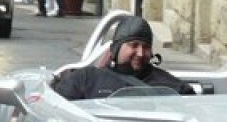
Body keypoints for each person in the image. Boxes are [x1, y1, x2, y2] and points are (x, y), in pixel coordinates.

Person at [53, 15, 191, 100]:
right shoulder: (85, 79)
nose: (141, 53)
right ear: (116, 48)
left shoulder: (171, 86)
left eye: (146, 47)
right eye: (134, 45)